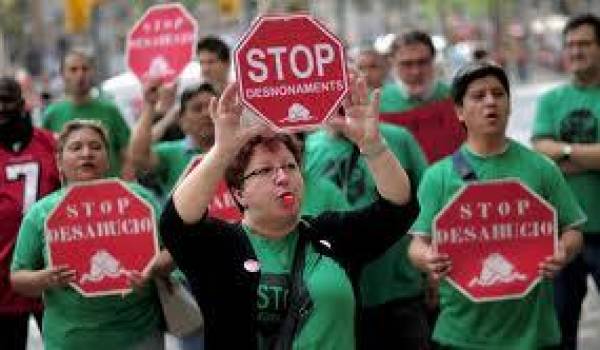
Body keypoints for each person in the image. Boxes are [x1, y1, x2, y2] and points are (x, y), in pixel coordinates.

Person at [160, 77, 416, 349]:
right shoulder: (220, 246)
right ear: (238, 193)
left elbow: (398, 209)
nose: (283, 177)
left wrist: (373, 146)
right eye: (265, 170)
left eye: (290, 167)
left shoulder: (331, 234)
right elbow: (175, 224)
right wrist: (223, 151)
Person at [408, 61, 585, 349]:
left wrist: (562, 250)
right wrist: (428, 258)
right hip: (461, 335)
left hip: (534, 335)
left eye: (498, 93)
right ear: (459, 112)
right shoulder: (438, 176)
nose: (491, 101)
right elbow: (417, 245)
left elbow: (574, 230)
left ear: (509, 104)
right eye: (478, 96)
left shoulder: (541, 168)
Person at [10, 120, 168, 350]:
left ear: (108, 158)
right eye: (76, 148)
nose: (87, 154)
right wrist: (45, 279)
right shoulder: (41, 213)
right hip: (70, 341)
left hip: (139, 335)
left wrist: (153, 269)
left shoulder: (141, 199)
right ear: (59, 162)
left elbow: (174, 251)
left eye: (95, 147)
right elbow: (18, 278)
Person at [304, 114, 428, 349]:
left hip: (399, 289)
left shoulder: (397, 138)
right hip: (337, 299)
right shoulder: (306, 148)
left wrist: (430, 273)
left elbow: (424, 203)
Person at [531, 13, 600, 350]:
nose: (576, 51)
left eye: (584, 43)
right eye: (570, 44)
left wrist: (565, 152)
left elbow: (552, 151)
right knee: (560, 330)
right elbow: (540, 152)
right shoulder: (550, 100)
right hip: (560, 235)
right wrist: (588, 156)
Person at [0, 76, 60, 350]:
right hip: (3, 275)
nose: (1, 108)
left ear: (22, 104)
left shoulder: (49, 143)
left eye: (6, 100)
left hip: (50, 269)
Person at [379, 30, 465, 164]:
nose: (416, 71)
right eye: (407, 64)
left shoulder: (456, 98)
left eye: (422, 62)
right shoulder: (379, 104)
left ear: (434, 59)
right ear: (392, 62)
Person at [42, 49, 131, 178]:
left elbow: (127, 154)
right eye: (73, 69)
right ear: (63, 74)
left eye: (85, 69)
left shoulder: (110, 110)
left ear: (92, 72)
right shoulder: (51, 114)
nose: (80, 75)